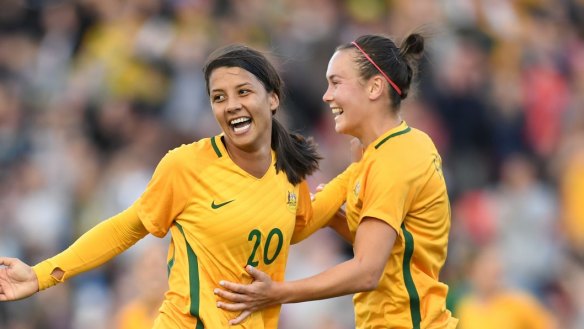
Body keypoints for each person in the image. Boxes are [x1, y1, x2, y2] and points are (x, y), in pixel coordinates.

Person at [0, 44, 332, 328]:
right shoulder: (186, 164)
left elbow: (299, 224)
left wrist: (350, 187)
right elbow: (125, 228)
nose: (231, 105)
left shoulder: (289, 169)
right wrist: (43, 275)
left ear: (272, 99)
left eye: (243, 92)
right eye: (219, 97)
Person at [214, 33, 459, 328]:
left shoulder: (394, 160)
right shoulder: (385, 151)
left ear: (375, 87)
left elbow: (367, 271)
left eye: (336, 82)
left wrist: (278, 292)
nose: (326, 95)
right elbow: (393, 247)